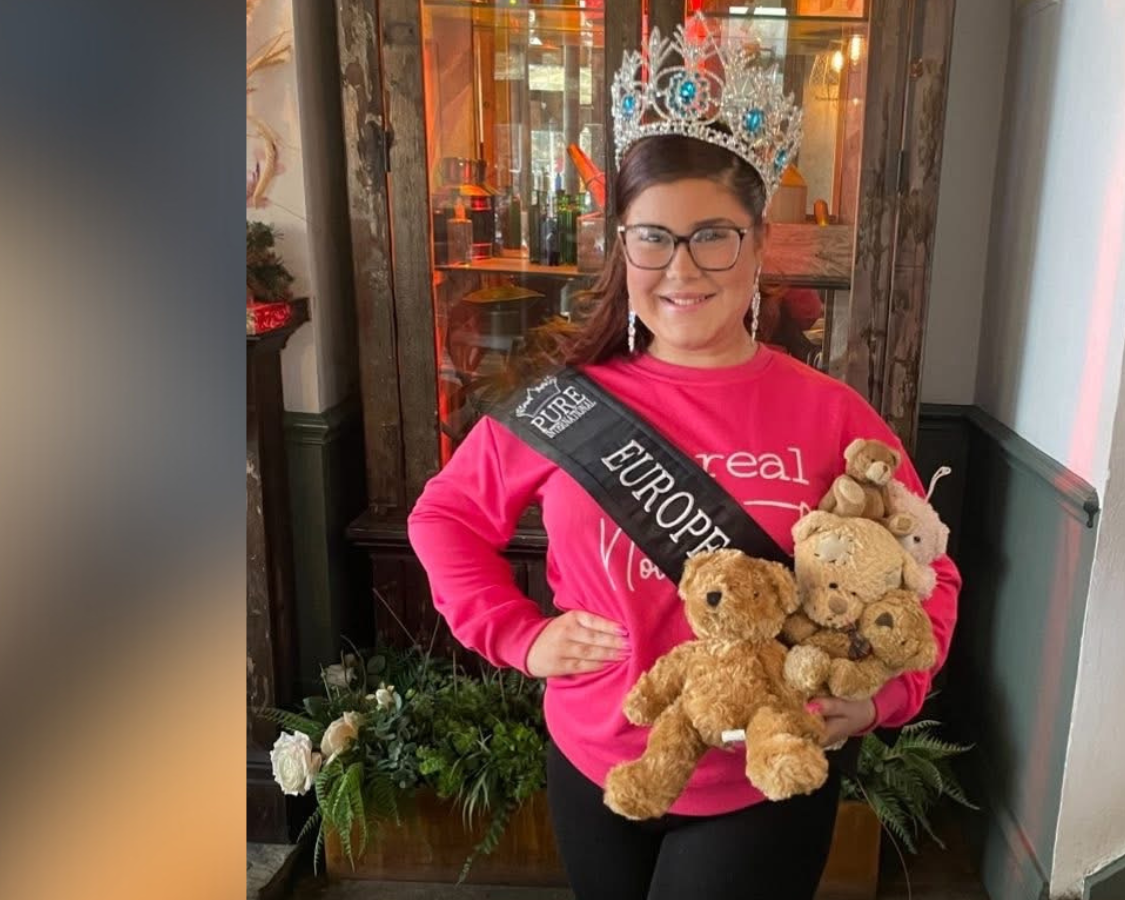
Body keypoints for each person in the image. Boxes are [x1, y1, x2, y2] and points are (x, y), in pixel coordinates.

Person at [408, 17, 960, 900]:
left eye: (713, 235)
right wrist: (521, 635)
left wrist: (888, 698)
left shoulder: (832, 416)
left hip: (766, 774)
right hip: (598, 764)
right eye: (651, 237)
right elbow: (445, 518)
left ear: (758, 246)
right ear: (621, 247)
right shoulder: (566, 402)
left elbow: (933, 574)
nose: (681, 267)